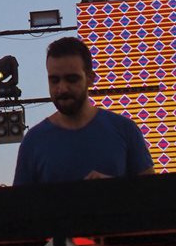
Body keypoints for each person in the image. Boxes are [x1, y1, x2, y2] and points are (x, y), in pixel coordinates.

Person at [13, 37, 154, 186]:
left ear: (90, 79)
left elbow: (153, 195)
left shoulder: (125, 130)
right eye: (54, 80)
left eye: (72, 79)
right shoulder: (33, 142)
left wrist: (116, 191)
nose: (62, 88)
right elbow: (19, 207)